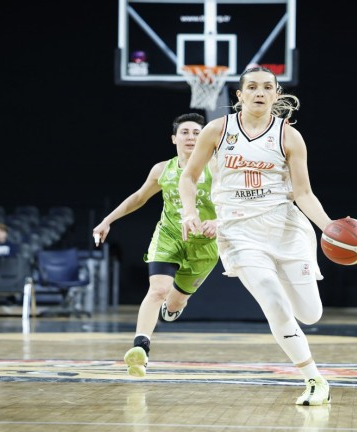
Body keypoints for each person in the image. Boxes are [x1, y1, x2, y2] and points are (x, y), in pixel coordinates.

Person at [179, 66, 334, 406]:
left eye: (267, 87)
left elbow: (304, 193)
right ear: (240, 95)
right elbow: (188, 177)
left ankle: (290, 307)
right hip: (238, 231)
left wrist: (330, 227)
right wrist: (190, 213)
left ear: (277, 94)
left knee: (310, 314)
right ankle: (314, 379)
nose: (259, 92)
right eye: (252, 87)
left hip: (285, 227)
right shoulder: (217, 130)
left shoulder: (289, 136)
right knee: (273, 301)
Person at [92, 113, 219, 378]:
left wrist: (218, 222)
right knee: (158, 289)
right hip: (169, 236)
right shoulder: (162, 169)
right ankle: (141, 349)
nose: (191, 137)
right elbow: (139, 197)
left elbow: (237, 202)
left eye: (197, 133)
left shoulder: (217, 167)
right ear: (174, 139)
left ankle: (171, 309)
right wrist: (107, 220)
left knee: (174, 304)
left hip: (205, 245)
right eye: (185, 132)